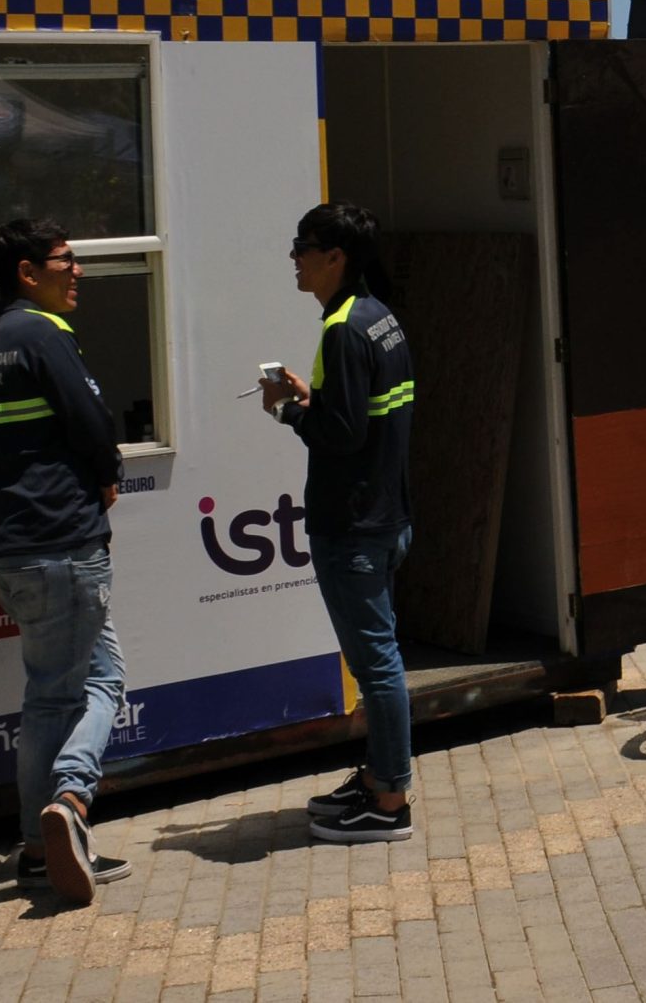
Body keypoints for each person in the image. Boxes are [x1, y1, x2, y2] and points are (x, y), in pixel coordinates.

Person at [0, 219, 129, 904]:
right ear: (29, 274)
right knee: (79, 692)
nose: (80, 271)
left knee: (53, 692)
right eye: (67, 260)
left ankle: (40, 855)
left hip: (15, 551)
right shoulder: (43, 334)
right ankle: (70, 797)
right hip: (65, 546)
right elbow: (93, 423)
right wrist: (107, 470)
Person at [260, 203, 418, 843]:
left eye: (303, 247)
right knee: (378, 658)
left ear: (336, 258)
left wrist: (289, 412)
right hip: (386, 515)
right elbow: (366, 416)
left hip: (352, 524)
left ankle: (389, 802)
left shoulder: (344, 332)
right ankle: (381, 773)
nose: (294, 257)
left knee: (377, 665)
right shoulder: (377, 319)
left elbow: (343, 435)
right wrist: (312, 396)